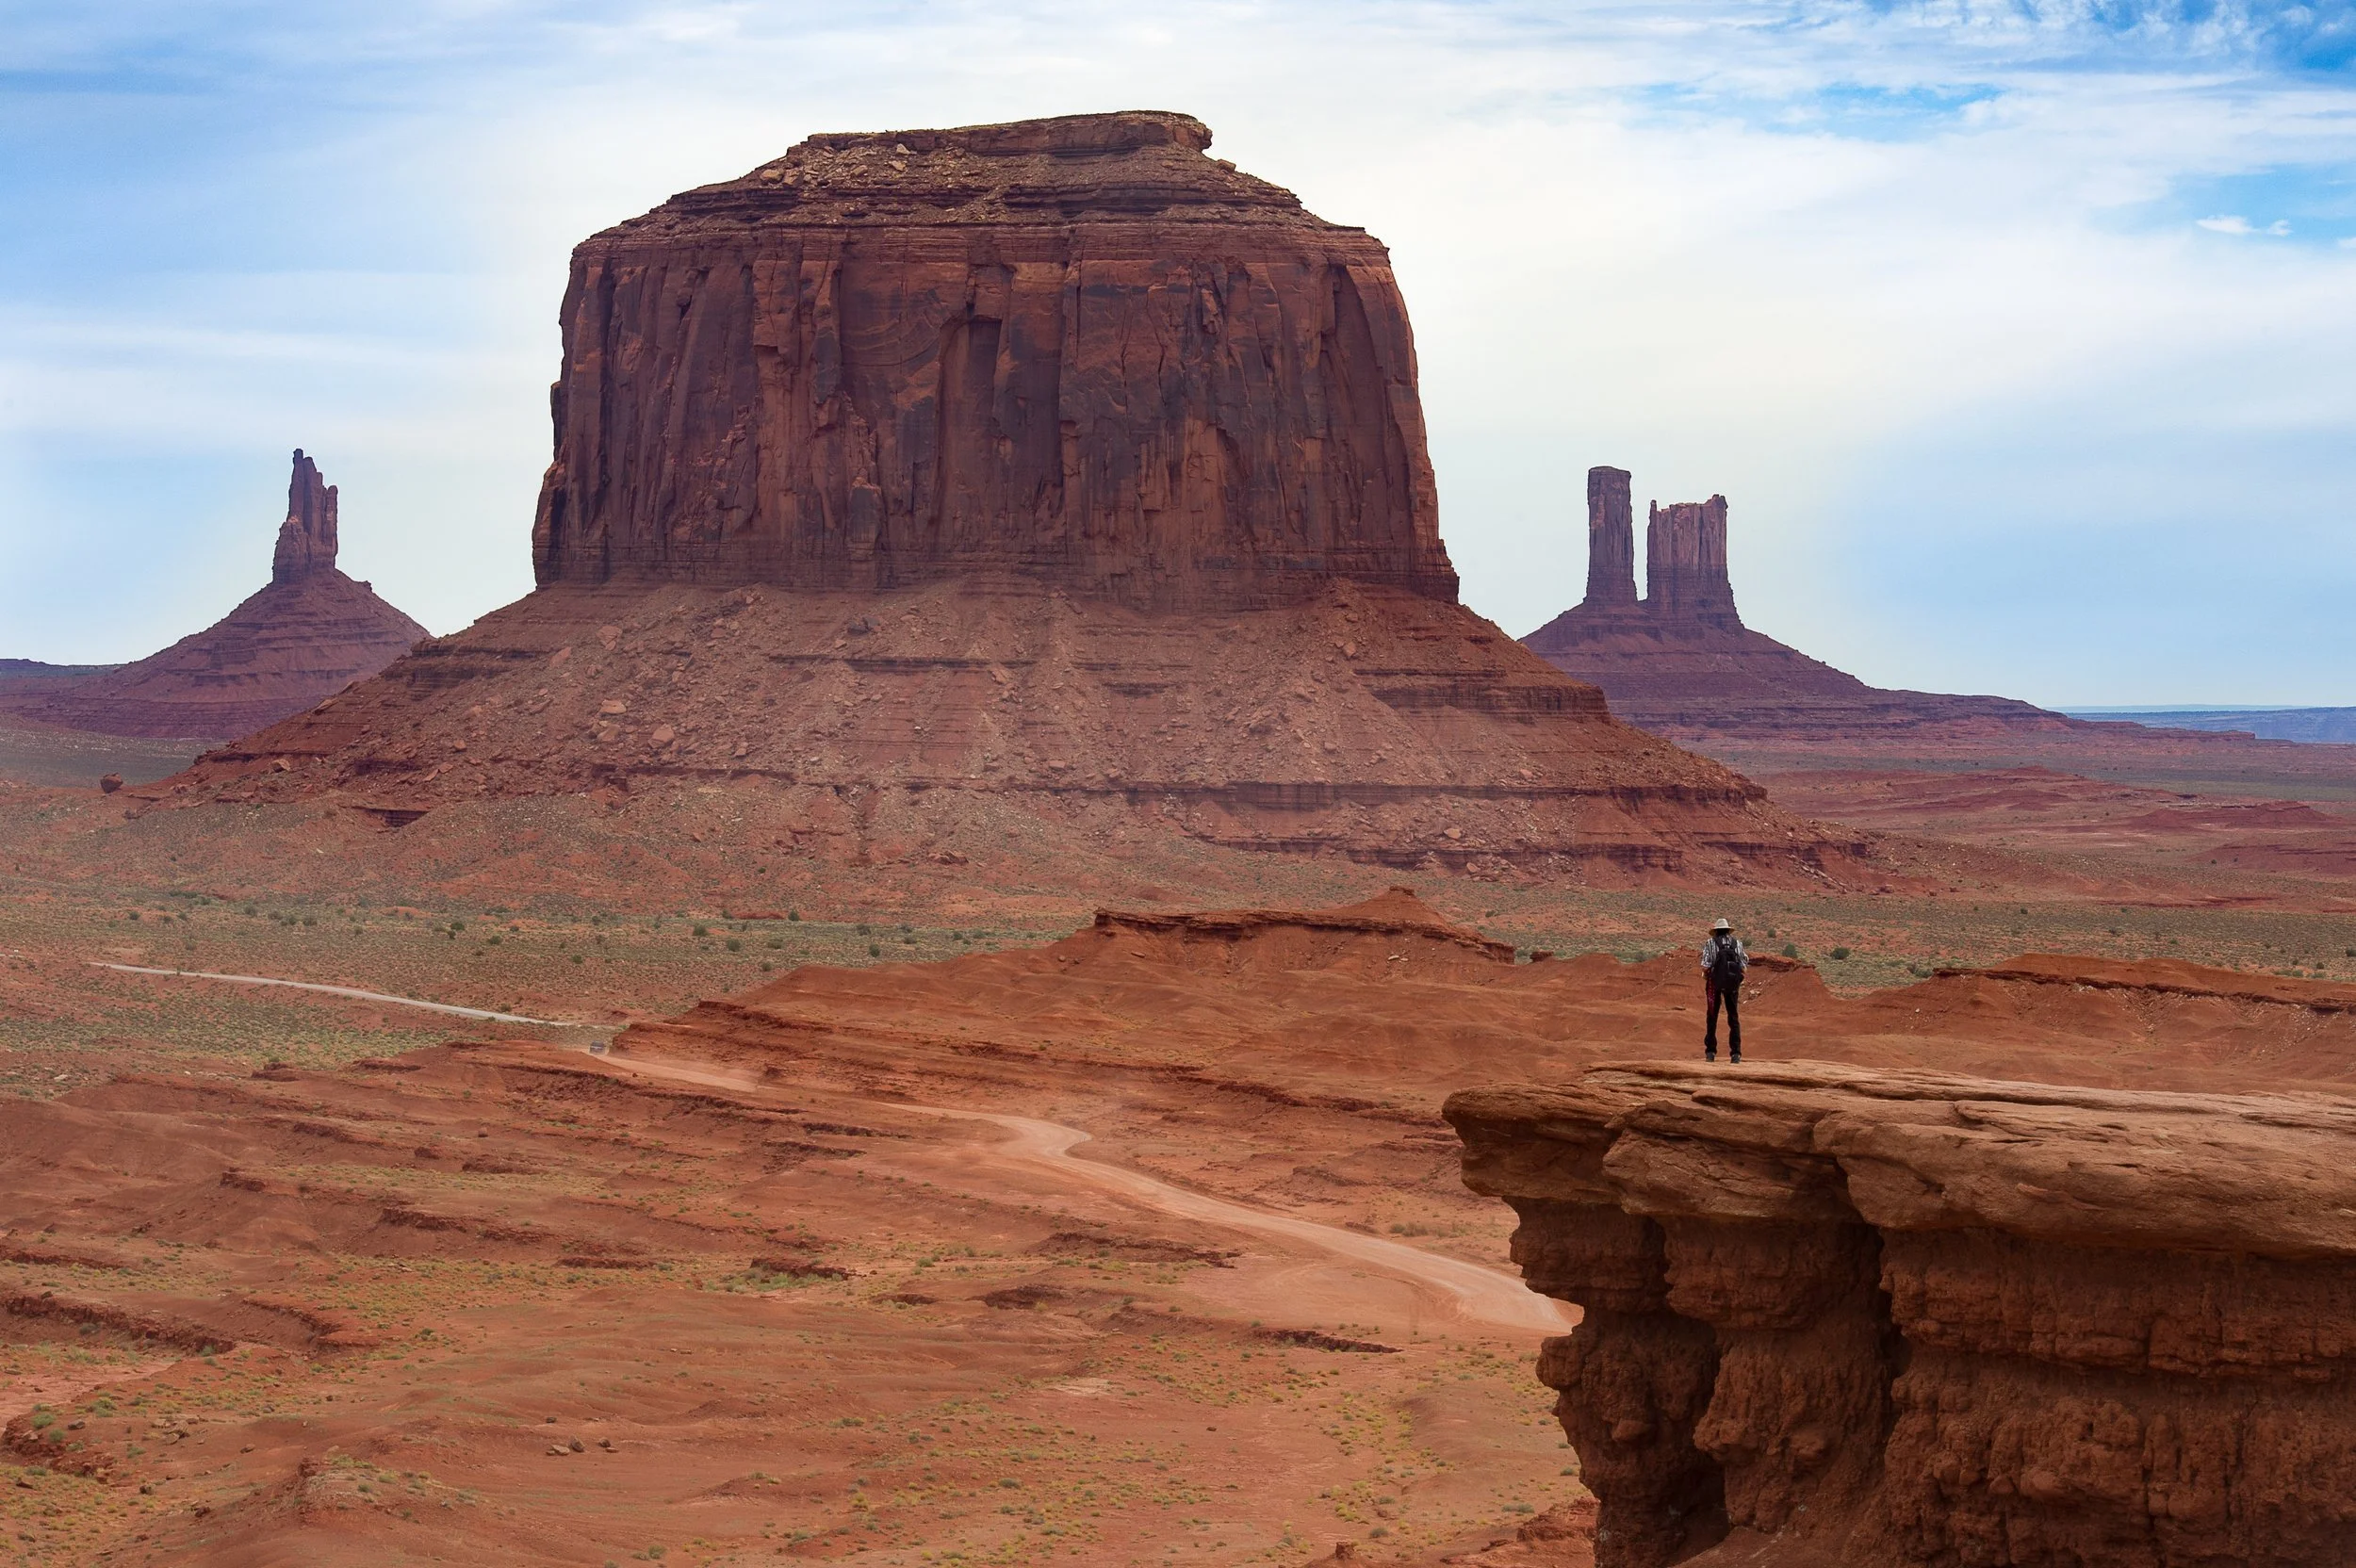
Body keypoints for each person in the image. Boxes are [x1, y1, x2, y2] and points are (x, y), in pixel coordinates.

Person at [1700, 918, 1745, 1064]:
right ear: (1728, 930)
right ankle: (1736, 1054)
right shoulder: (1737, 943)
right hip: (1732, 984)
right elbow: (1743, 964)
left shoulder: (1710, 943)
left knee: (1712, 1016)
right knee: (1733, 1017)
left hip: (1714, 984)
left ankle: (1711, 1052)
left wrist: (1710, 974)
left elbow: (1705, 966)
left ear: (1716, 931)